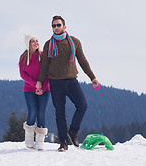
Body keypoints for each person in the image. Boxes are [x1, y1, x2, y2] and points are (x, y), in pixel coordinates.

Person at [36, 16, 99, 152]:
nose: (56, 28)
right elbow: (44, 65)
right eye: (53, 26)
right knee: (60, 113)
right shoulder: (48, 44)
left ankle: (73, 132)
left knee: (82, 106)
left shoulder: (74, 42)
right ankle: (63, 142)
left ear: (64, 26)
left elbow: (82, 60)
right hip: (55, 82)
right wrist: (40, 82)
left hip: (71, 81)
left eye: (58, 25)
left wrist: (92, 77)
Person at [19, 34, 50, 151]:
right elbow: (22, 74)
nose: (36, 43)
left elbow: (48, 72)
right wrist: (35, 84)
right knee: (33, 111)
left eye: (37, 41)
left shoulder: (43, 56)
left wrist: (42, 86)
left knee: (41, 112)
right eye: (33, 41)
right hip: (29, 89)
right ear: (28, 44)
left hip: (44, 88)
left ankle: (40, 141)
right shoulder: (23, 57)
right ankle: (29, 139)